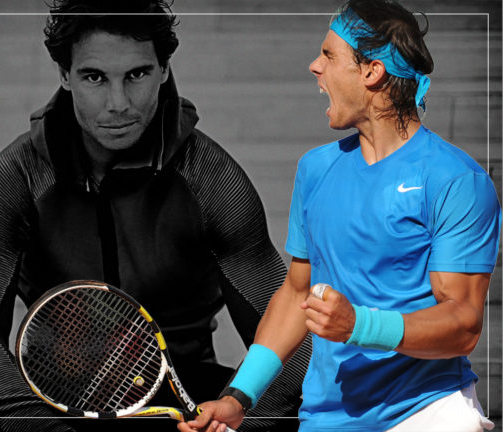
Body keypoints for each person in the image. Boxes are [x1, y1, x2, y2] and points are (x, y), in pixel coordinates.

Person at [0, 1, 309, 431]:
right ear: (65, 75)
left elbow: (294, 338)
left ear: (164, 69)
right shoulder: (18, 177)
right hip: (55, 398)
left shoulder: (212, 180)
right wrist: (45, 428)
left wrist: (237, 414)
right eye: (94, 77)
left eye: (137, 75)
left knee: (307, 421)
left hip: (181, 388)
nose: (118, 103)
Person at [180, 1, 501, 431]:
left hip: (428, 412)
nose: (315, 66)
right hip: (328, 417)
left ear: (372, 72)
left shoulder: (456, 180)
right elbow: (296, 294)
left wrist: (359, 325)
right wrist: (239, 396)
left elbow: (462, 324)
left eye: (330, 55)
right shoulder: (315, 169)